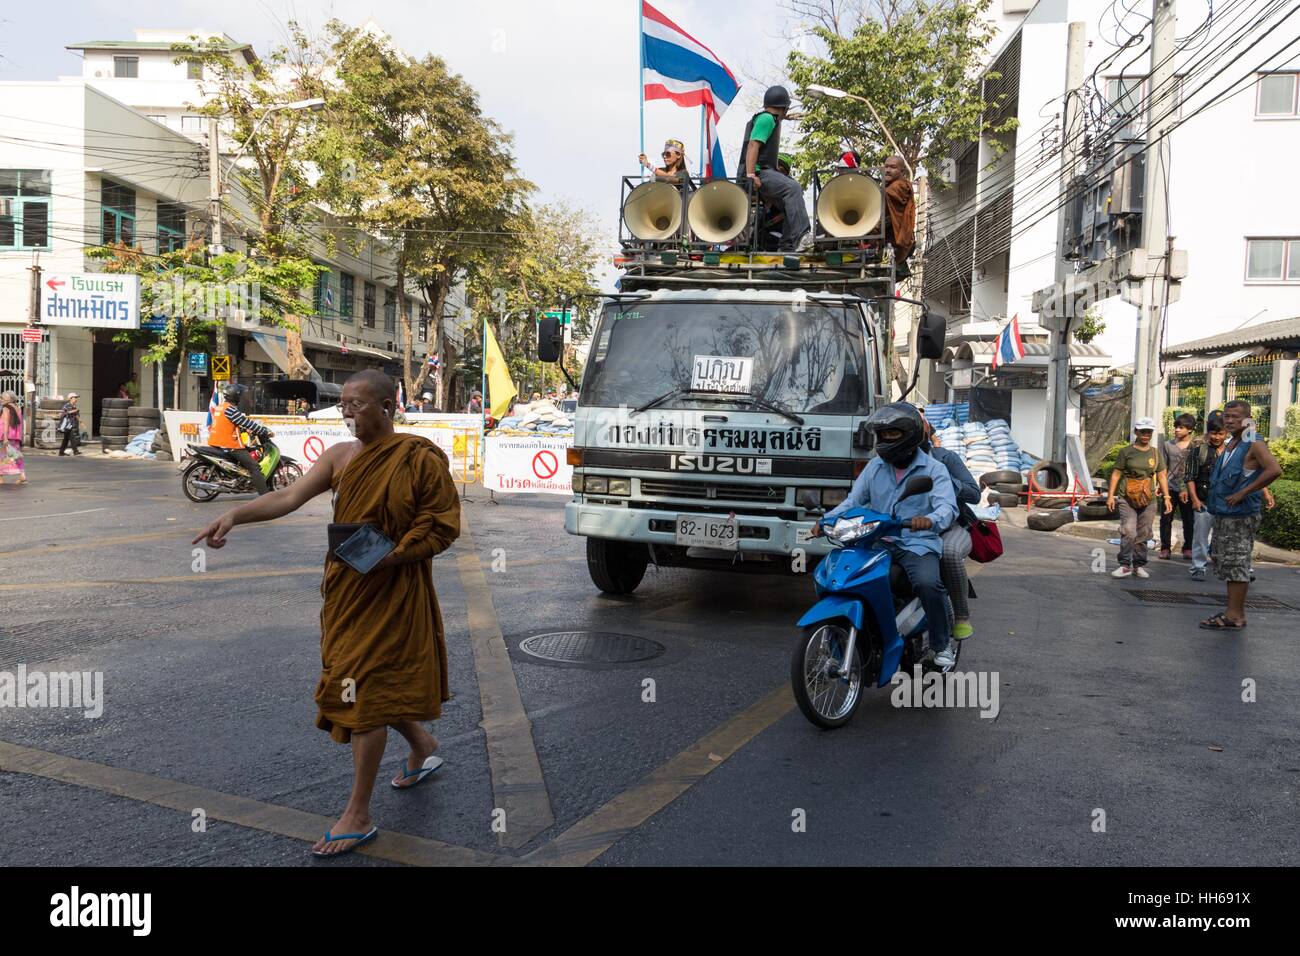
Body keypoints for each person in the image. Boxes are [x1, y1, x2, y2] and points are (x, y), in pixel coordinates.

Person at [193, 369, 460, 858]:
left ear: (387, 406)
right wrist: (235, 515)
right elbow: (288, 496)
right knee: (360, 678)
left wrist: (395, 555)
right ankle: (422, 744)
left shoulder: (418, 458)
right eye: (345, 405)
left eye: (358, 405)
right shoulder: (340, 457)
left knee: (363, 686)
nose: (348, 413)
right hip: (348, 591)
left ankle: (357, 813)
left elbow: (441, 524)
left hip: (396, 588)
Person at [812, 403, 958, 667]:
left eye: (892, 434)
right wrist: (826, 520)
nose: (885, 440)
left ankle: (941, 644)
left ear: (910, 436)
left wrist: (929, 520)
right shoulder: (875, 467)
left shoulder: (934, 470)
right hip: (876, 540)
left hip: (916, 543)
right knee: (843, 577)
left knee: (927, 584)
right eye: (883, 434)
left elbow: (947, 507)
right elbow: (853, 501)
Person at [1199, 399, 1282, 630]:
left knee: (1236, 563)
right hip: (1225, 514)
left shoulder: (1253, 441)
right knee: (1224, 561)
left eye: (1236, 417)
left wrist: (1244, 492)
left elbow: (1274, 469)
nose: (1229, 420)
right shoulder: (1234, 442)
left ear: (1248, 419)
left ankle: (1236, 616)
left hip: (1240, 515)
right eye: (1227, 416)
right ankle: (1231, 611)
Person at [922, 418, 979, 641]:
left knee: (950, 552)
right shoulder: (885, 462)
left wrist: (946, 480)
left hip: (950, 526)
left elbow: (974, 494)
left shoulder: (945, 459)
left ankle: (961, 616)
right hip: (907, 529)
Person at [739, 86, 811, 253]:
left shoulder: (769, 119)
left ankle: (787, 246)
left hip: (763, 171)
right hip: (759, 172)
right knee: (793, 188)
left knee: (789, 204)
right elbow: (753, 145)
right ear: (784, 107)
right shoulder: (767, 119)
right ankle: (802, 236)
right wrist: (751, 175)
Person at [1106, 417, 1172, 578]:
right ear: (1136, 431)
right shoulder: (1126, 452)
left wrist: (1167, 497)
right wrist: (1110, 496)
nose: (1145, 434)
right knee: (1129, 531)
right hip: (1126, 497)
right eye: (1142, 431)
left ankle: (1138, 565)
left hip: (1148, 499)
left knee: (1143, 533)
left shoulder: (1155, 453)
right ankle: (1124, 565)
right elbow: (1116, 474)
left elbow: (1162, 476)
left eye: (1148, 431)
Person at [1184, 411, 1227, 582]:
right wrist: (1194, 499)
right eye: (1214, 433)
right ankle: (1198, 567)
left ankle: (1224, 565)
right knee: (1200, 537)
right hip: (1203, 501)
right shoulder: (1198, 451)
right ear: (1208, 433)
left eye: (1220, 433)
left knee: (1224, 537)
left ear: (1226, 433)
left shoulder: (1232, 452)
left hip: (1225, 503)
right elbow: (1189, 477)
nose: (1217, 437)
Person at [208, 383, 272, 496]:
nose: (241, 397)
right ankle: (265, 495)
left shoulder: (221, 407)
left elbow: (228, 425)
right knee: (254, 467)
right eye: (240, 395)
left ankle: (241, 479)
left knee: (248, 450)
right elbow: (247, 423)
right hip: (230, 445)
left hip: (217, 442)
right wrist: (264, 431)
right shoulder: (231, 410)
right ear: (235, 396)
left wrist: (243, 430)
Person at [1159, 412, 1197, 560]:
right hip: (1170, 488)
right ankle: (1165, 548)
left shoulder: (1196, 446)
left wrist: (1190, 489)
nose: (1177, 430)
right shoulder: (1168, 445)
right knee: (1166, 518)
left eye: (1181, 427)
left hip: (1188, 489)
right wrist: (1160, 485)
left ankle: (1188, 547)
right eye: (1176, 427)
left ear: (1190, 429)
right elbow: (1163, 467)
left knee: (1189, 519)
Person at [881, 155, 916, 279]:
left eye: (893, 167)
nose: (887, 170)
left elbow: (888, 196)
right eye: (886, 166)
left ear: (901, 171)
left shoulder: (901, 185)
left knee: (885, 270)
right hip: (885, 237)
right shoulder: (888, 185)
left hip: (894, 241)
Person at [0, 391, 26, 484]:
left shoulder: (6, 408)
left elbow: (6, 424)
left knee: (2, 457)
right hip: (15, 437)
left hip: (6, 437)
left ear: (9, 399)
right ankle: (22, 475)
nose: (0, 400)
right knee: (16, 456)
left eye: (2, 398)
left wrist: (5, 438)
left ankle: (0, 478)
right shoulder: (18, 408)